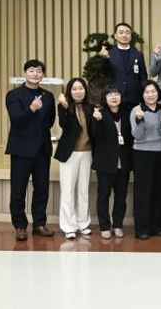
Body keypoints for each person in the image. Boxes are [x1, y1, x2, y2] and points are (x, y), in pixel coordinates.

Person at [5, 59, 56, 241]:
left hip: (42, 149)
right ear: (25, 73)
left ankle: (39, 224)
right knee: (18, 191)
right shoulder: (14, 95)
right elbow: (17, 119)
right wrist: (32, 109)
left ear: (43, 74)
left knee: (42, 189)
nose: (35, 74)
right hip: (21, 149)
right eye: (32, 70)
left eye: (39, 71)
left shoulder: (48, 96)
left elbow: (50, 120)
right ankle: (20, 226)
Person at [90, 85, 133, 239]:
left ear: (121, 97)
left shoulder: (127, 114)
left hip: (124, 162)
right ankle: (104, 226)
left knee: (121, 197)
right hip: (105, 163)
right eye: (110, 95)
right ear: (105, 98)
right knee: (103, 196)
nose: (114, 97)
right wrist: (97, 121)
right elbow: (94, 137)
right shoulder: (99, 114)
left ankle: (118, 225)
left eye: (116, 94)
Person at [54, 77, 93, 239]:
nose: (78, 91)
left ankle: (83, 223)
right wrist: (66, 107)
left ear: (85, 90)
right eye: (74, 89)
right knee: (68, 190)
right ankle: (68, 226)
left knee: (83, 190)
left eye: (81, 88)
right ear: (69, 91)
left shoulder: (90, 107)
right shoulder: (63, 107)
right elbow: (66, 125)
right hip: (70, 153)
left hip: (87, 153)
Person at [130, 80, 161, 240]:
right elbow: (137, 135)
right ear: (142, 94)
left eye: (153, 91)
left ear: (158, 93)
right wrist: (139, 120)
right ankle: (142, 228)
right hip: (142, 154)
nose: (150, 95)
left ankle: (157, 226)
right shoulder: (137, 110)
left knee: (159, 191)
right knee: (143, 192)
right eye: (147, 92)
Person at [100, 22, 148, 106]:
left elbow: (143, 76)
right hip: (115, 96)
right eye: (121, 32)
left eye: (127, 33)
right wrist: (105, 59)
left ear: (131, 36)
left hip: (134, 97)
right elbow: (104, 73)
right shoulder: (109, 54)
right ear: (115, 36)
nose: (124, 35)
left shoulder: (138, 54)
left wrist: (143, 95)